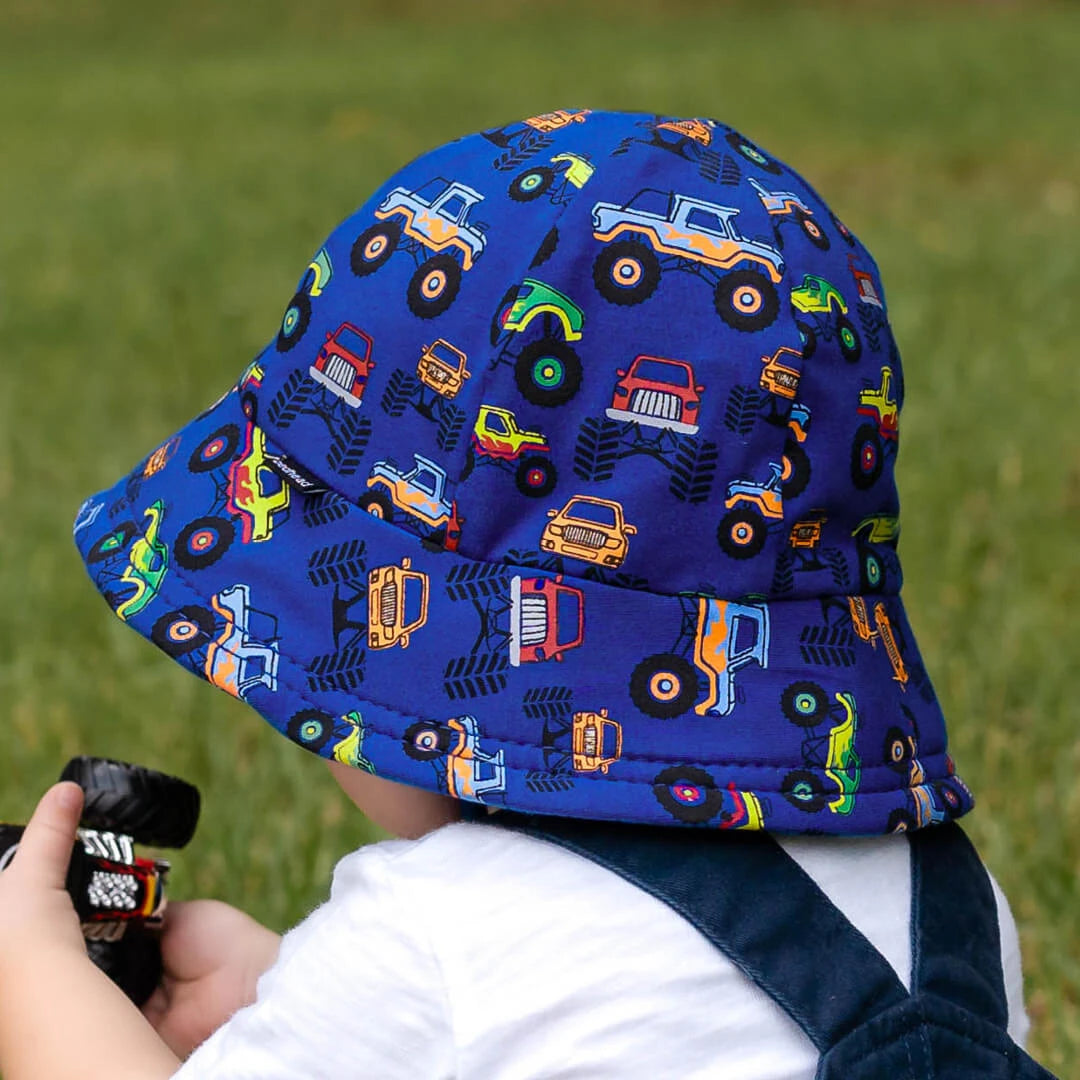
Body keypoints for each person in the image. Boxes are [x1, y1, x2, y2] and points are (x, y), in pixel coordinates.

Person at [0, 110, 1055, 1078]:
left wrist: (34, 982)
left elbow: (482, 1003)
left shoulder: (436, 945)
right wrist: (278, 998)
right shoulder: (953, 914)